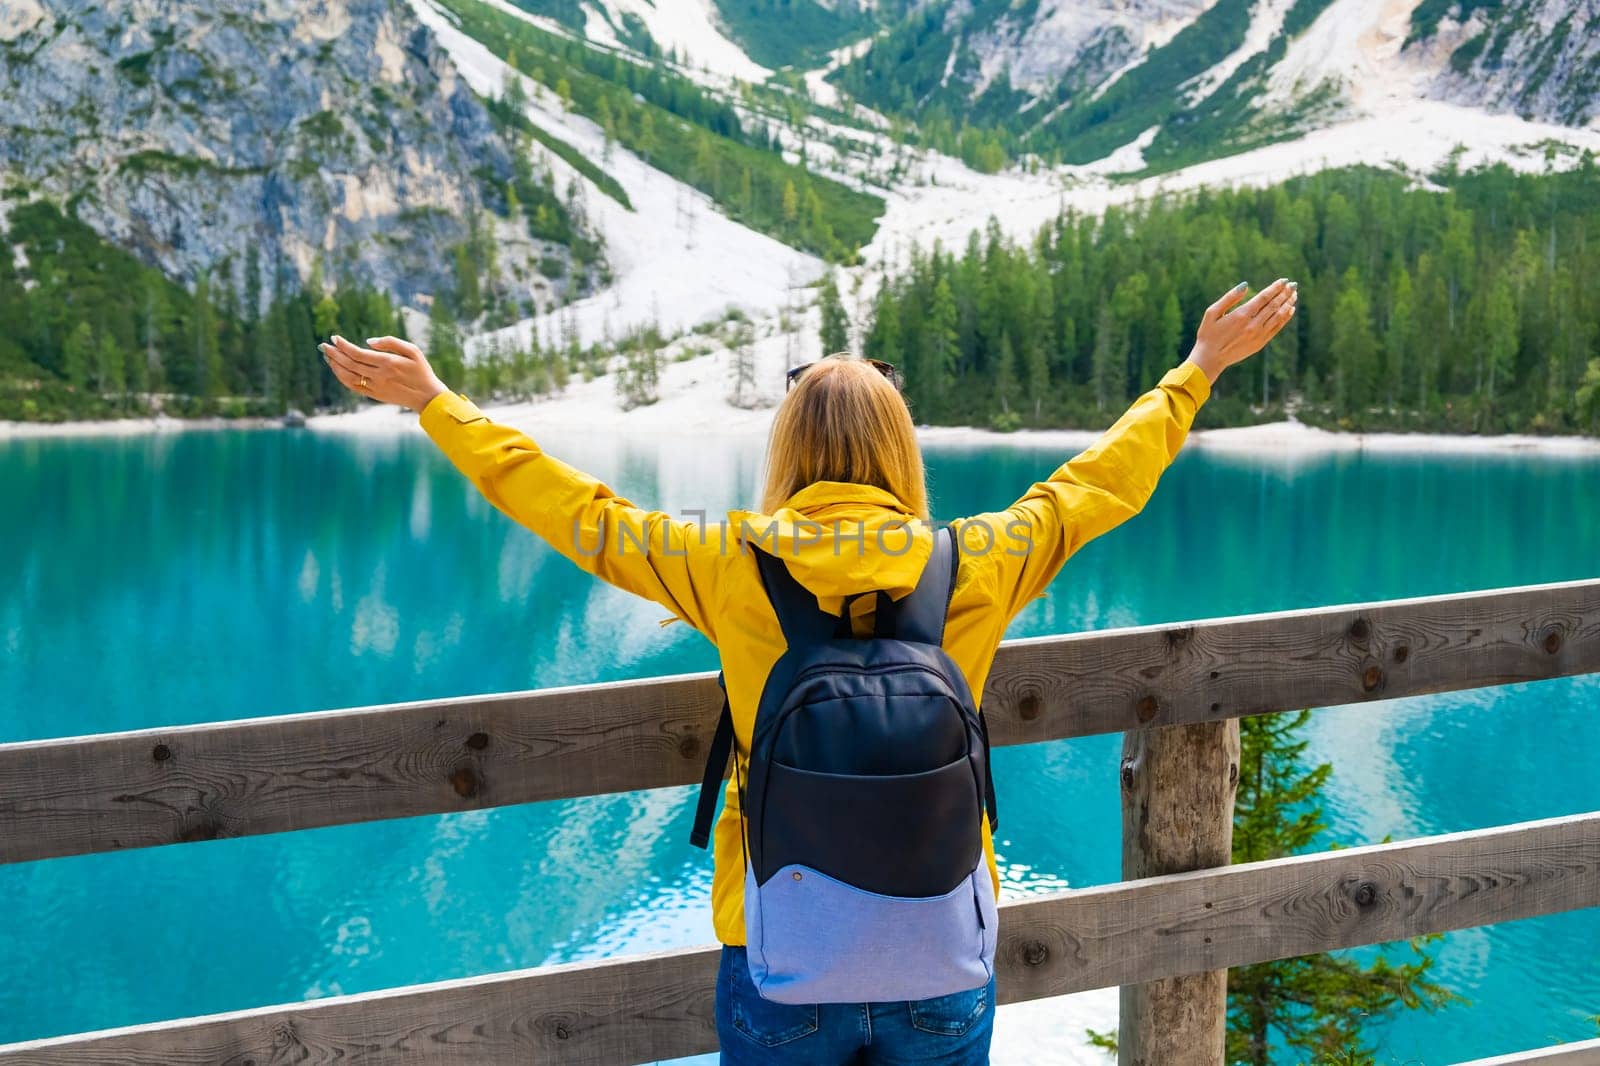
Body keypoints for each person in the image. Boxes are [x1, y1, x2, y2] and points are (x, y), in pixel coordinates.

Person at [321, 277, 1297, 1064]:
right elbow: (1095, 484)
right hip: (941, 960)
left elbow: (576, 510)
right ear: (900, 450)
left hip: (780, 957)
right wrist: (1197, 370)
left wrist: (439, 406)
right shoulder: (973, 561)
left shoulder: (730, 563)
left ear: (788, 449)